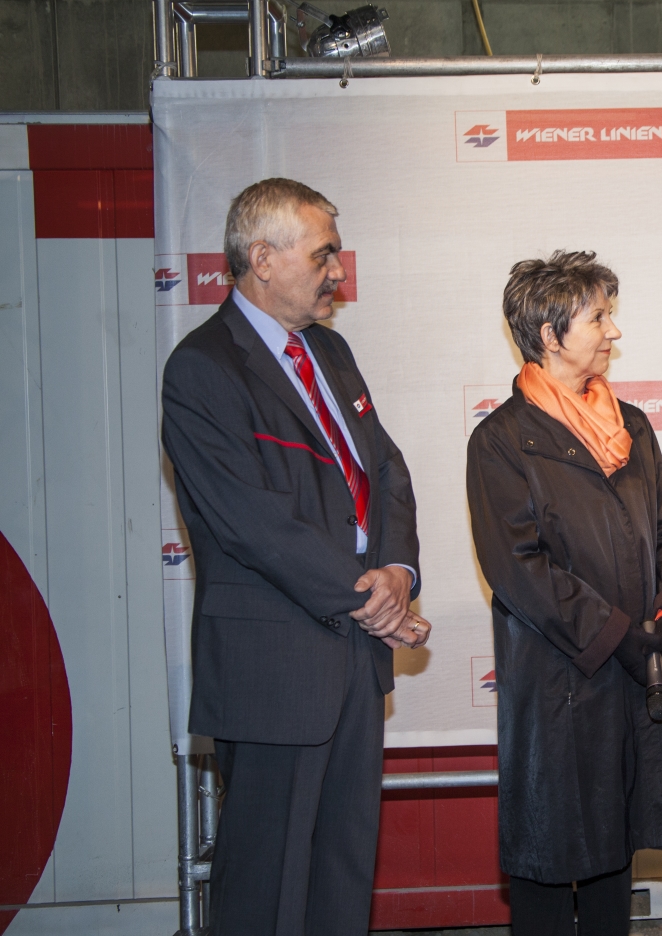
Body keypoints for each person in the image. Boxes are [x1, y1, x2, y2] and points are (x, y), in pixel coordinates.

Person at [161, 178, 429, 936]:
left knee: (342, 872)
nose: (338, 272)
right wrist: (364, 592)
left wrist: (398, 573)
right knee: (265, 888)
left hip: (353, 657)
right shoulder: (202, 368)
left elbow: (386, 473)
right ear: (262, 258)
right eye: (324, 255)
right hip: (272, 666)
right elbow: (250, 522)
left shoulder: (332, 353)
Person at [466, 250, 662, 936]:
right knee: (548, 861)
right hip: (560, 685)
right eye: (599, 316)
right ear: (550, 333)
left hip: (635, 674)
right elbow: (519, 570)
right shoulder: (501, 441)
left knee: (612, 860)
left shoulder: (631, 425)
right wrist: (619, 638)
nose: (613, 331)